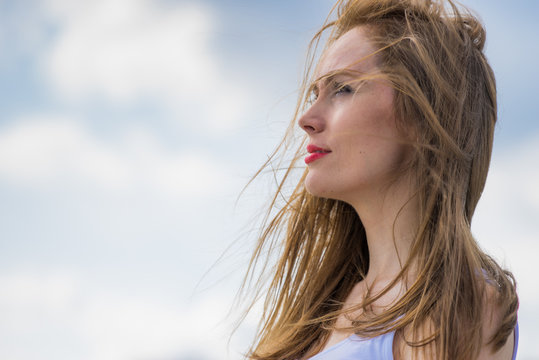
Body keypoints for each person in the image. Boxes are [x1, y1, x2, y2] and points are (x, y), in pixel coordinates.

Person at [238, 0, 519, 359]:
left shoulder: (459, 305)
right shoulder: (316, 312)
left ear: (423, 114)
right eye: (315, 93)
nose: (306, 118)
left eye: (342, 88)